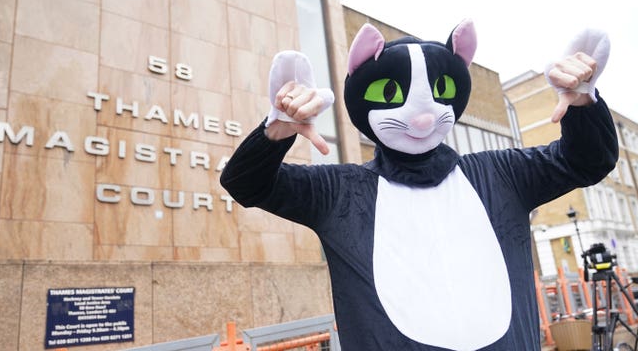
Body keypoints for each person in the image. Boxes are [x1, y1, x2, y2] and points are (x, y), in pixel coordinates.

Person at [220, 21, 618, 350]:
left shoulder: (501, 175)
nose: (423, 117)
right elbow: (246, 183)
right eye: (391, 94)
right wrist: (277, 131)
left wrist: (582, 103)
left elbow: (586, 161)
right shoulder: (341, 192)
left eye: (440, 93)